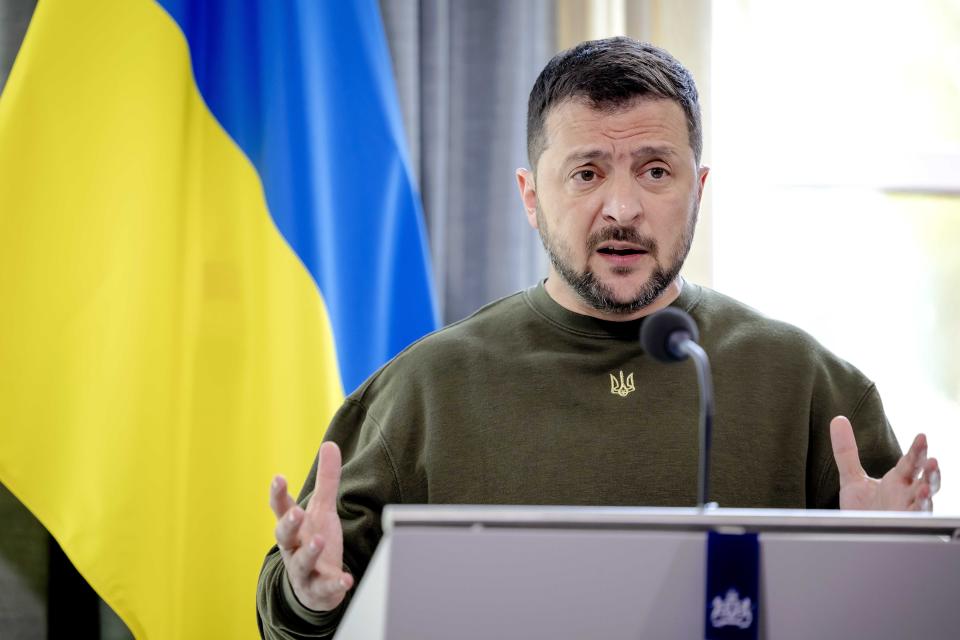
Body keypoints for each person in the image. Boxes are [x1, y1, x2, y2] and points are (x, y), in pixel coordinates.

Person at [255, 37, 941, 638]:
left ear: (698, 188)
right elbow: (294, 615)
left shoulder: (813, 387)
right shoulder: (424, 387)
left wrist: (894, 564)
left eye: (655, 171)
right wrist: (308, 595)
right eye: (586, 173)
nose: (622, 208)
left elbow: (914, 614)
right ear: (530, 195)